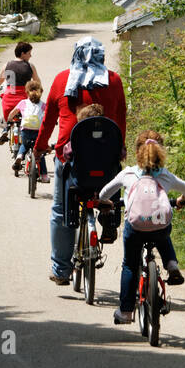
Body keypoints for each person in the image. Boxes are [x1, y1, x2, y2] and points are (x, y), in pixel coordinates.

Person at [35, 36, 127, 285]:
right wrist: (120, 148)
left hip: (71, 159)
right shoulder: (114, 81)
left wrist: (39, 147)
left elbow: (48, 120)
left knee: (60, 211)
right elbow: (120, 119)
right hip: (106, 159)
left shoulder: (63, 80)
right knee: (108, 192)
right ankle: (108, 215)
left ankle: (62, 270)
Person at [99, 130, 185, 325]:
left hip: (135, 227)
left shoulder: (129, 173)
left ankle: (125, 312)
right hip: (158, 226)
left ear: (137, 151)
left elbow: (103, 193)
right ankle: (171, 264)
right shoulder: (166, 176)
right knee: (163, 231)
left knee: (130, 265)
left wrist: (107, 203)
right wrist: (182, 199)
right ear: (161, 152)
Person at [0, 41, 39, 142]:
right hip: (24, 99)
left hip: (9, 99)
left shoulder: (7, 65)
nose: (31, 56)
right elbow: (37, 82)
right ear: (23, 53)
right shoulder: (30, 66)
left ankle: (6, 128)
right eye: (29, 53)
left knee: (7, 114)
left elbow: (0, 80)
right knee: (28, 118)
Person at [5, 79, 49, 181]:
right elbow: (49, 116)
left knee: (24, 145)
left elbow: (12, 113)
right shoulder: (43, 105)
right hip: (38, 132)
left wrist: (9, 120)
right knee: (39, 151)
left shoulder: (23, 103)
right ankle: (44, 176)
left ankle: (20, 156)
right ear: (41, 92)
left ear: (27, 91)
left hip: (26, 130)